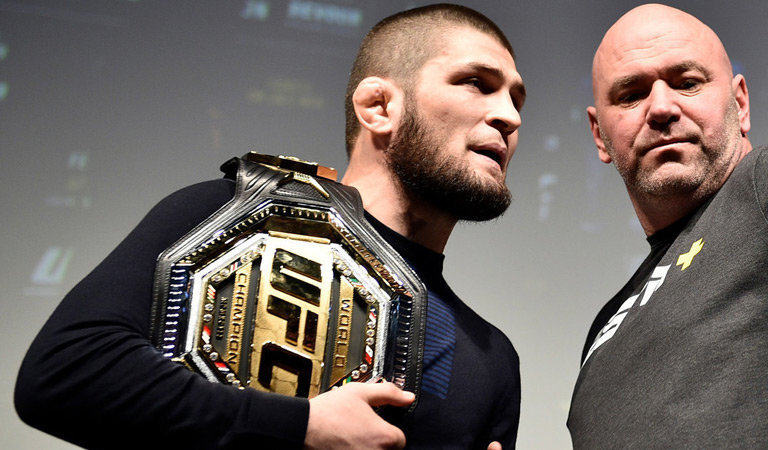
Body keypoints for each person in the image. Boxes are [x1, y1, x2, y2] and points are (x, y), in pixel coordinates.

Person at [15, 4, 525, 449]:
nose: (509, 116)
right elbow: (66, 372)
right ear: (378, 106)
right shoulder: (228, 216)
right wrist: (300, 426)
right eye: (476, 83)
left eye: (517, 100)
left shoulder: (492, 361)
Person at [568, 3, 768, 448]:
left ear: (739, 104)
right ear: (598, 135)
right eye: (631, 95)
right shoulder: (601, 333)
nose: (661, 107)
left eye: (687, 83)